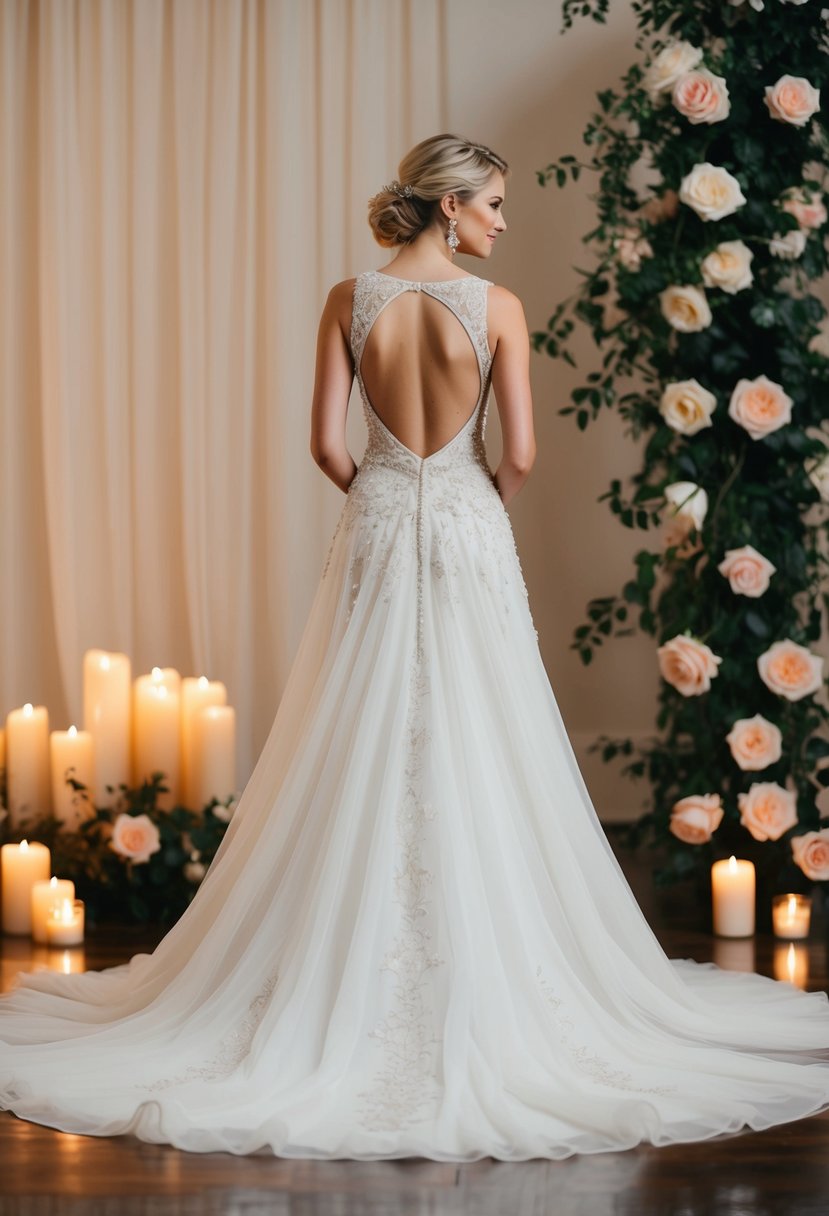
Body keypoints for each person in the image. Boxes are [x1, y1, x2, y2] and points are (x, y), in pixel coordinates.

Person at [2, 133, 829, 1162]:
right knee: (485, 726)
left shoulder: (350, 299)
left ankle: (333, 964)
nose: (501, 221)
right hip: (469, 521)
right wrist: (473, 505)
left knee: (363, 722)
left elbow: (323, 442)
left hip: (382, 514)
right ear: (448, 206)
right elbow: (518, 451)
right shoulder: (501, 311)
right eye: (491, 204)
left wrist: (390, 494)